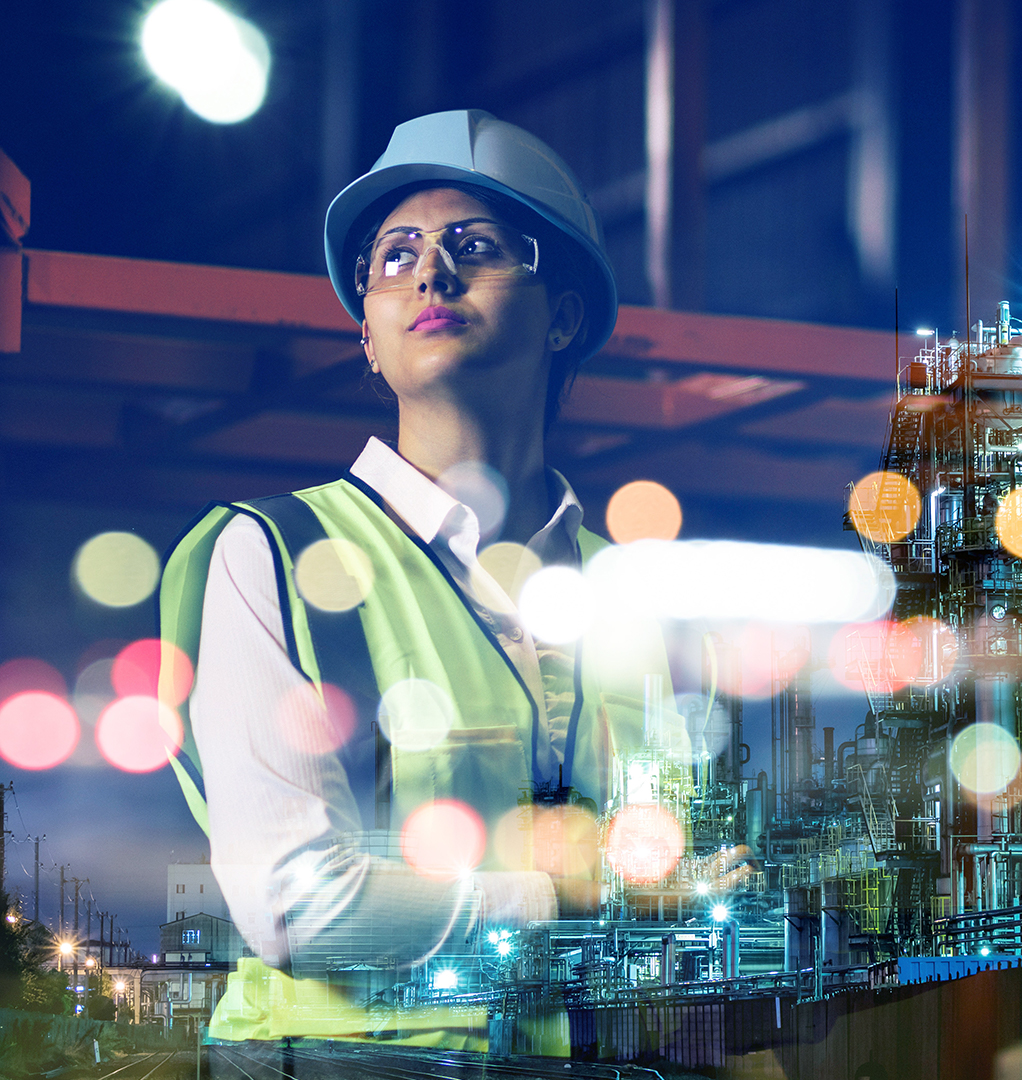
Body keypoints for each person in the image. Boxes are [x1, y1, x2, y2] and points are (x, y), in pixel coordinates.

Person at [159, 110, 688, 1044]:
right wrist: (572, 899)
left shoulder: (634, 597)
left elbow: (682, 869)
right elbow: (296, 905)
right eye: (394, 256)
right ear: (367, 332)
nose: (431, 271)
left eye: (475, 246)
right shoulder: (270, 555)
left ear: (563, 314)